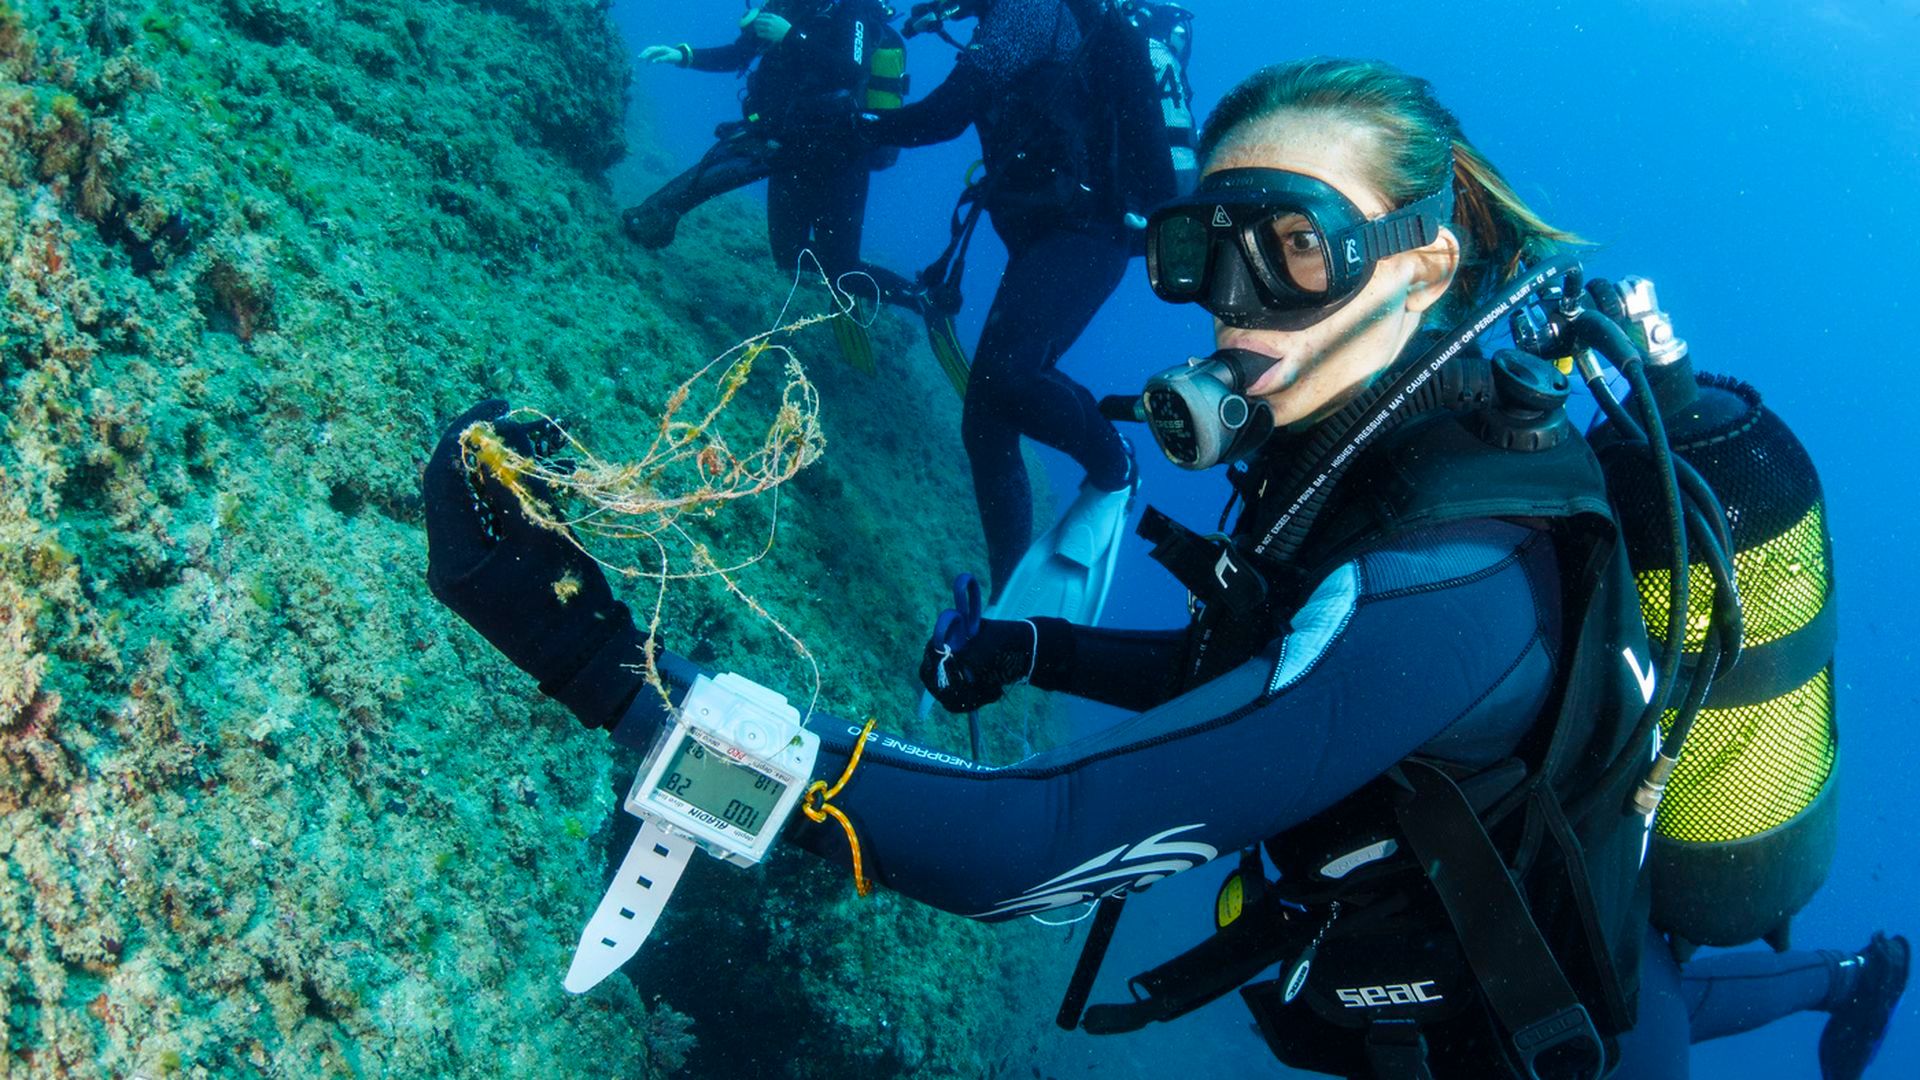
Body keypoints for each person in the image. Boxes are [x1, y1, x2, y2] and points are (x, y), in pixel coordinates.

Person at [424, 56, 1908, 1079]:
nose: (1236, 308)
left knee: (1643, 1007)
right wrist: (1042, 652)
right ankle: (1849, 980)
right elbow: (1278, 683)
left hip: (1522, 1050)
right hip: (1526, 921)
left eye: (1295, 252)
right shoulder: (1371, 464)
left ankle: (1839, 982)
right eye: (1204, 255)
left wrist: (606, 678)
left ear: (1428, 261)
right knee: (1646, 976)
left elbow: (1036, 852)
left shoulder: (1457, 569)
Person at [855, 0, 1181, 624]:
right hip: (1049, 236)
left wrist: (856, 124)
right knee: (985, 418)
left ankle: (1115, 465)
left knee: (1008, 377)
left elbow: (944, 116)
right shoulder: (1017, 17)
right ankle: (1009, 600)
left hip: (1086, 236)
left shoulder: (1028, 10)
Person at [623, 0, 919, 357]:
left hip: (839, 156)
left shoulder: (848, 10)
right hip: (786, 143)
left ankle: (920, 299)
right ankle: (652, 221)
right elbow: (738, 55)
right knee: (788, 255)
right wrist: (683, 55)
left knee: (843, 266)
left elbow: (852, 72)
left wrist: (792, 35)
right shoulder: (784, 5)